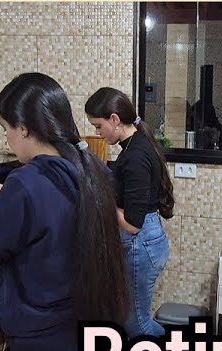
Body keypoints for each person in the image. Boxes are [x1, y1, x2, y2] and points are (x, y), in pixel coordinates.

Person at [0, 72, 129, 351]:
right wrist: (8, 201)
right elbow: (57, 215)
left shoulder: (26, 184)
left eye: (5, 128)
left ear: (25, 128)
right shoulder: (90, 167)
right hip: (84, 326)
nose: (7, 137)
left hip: (43, 340)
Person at [86, 87, 174, 337]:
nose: (97, 133)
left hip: (141, 244)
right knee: (133, 319)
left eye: (98, 126)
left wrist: (101, 201)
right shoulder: (136, 145)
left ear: (114, 119)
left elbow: (132, 224)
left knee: (136, 324)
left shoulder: (135, 155)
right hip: (146, 242)